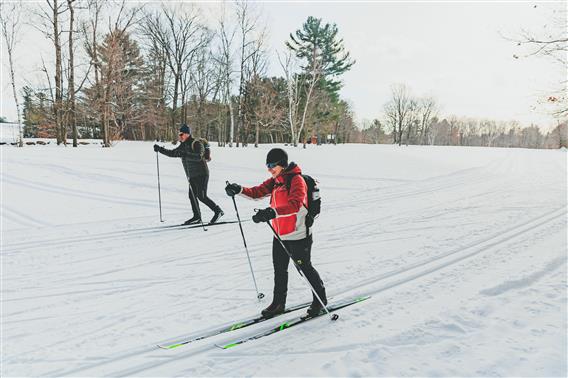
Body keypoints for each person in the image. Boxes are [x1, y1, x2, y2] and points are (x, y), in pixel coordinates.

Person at [225, 148, 327, 317]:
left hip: (298, 234)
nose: (269, 169)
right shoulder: (276, 180)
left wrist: (272, 212)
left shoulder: (296, 180)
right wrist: (239, 189)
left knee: (304, 268)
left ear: (282, 165)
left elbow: (295, 204)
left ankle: (320, 300)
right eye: (268, 165)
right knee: (279, 270)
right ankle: (279, 303)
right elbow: (257, 192)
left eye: (272, 165)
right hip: (280, 234)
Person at [154, 124, 223, 225]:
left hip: (202, 173)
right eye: (179, 134)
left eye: (181, 134)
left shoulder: (196, 143)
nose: (180, 136)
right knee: (192, 196)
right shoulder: (183, 145)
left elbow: (199, 156)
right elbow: (173, 153)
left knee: (202, 196)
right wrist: (160, 150)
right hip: (192, 175)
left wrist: (185, 154)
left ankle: (218, 211)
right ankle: (197, 217)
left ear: (187, 134)